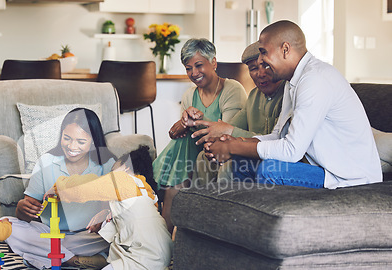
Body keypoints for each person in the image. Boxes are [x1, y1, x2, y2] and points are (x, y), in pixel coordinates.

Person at [204, 20, 382, 189]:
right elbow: (278, 135)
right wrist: (237, 142)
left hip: (349, 177)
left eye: (264, 52)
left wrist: (233, 146)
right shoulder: (293, 81)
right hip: (324, 168)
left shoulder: (315, 79)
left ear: (285, 49)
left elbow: (291, 150)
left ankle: (271, 221)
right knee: (240, 163)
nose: (260, 61)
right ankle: (242, 221)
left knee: (270, 170)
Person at [46, 145, 173, 270]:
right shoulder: (146, 190)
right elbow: (134, 220)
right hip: (164, 252)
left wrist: (58, 188)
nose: (109, 176)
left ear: (125, 168)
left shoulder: (122, 180)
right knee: (116, 257)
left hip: (146, 256)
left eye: (112, 171)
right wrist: (106, 216)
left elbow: (86, 186)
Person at [152, 38, 247, 231]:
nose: (194, 73)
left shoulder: (232, 89)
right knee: (181, 142)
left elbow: (228, 134)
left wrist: (196, 121)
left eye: (199, 65)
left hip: (223, 151)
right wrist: (185, 122)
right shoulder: (189, 95)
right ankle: (165, 233)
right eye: (188, 68)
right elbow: (177, 132)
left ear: (213, 62)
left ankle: (162, 231)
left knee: (181, 152)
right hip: (193, 153)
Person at [5, 108, 116, 270]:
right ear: (61, 135)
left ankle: (44, 255)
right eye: (67, 138)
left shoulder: (107, 164)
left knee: (115, 230)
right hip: (50, 234)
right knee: (6, 225)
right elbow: (27, 211)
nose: (72, 146)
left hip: (89, 237)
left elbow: (115, 207)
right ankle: (75, 259)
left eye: (80, 142)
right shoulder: (46, 161)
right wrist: (22, 209)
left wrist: (105, 216)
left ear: (93, 141)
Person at [192, 41, 286, 186]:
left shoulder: (288, 93)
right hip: (248, 153)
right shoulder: (254, 95)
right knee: (204, 158)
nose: (260, 74)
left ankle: (225, 209)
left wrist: (229, 131)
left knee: (230, 168)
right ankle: (206, 207)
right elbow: (231, 126)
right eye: (253, 68)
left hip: (273, 158)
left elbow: (279, 141)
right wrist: (215, 141)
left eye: (266, 65)